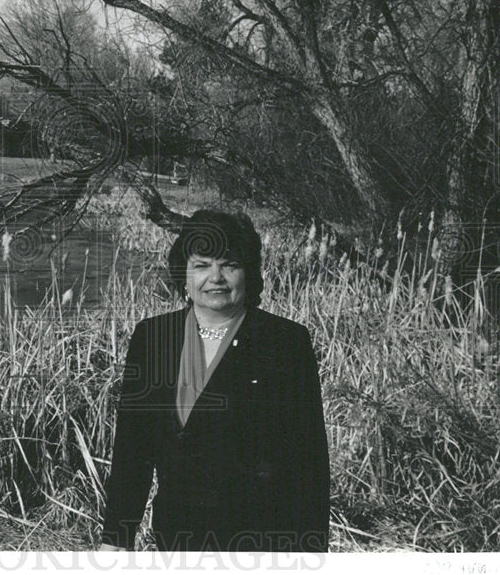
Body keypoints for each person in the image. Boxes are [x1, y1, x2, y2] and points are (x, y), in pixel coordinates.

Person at [99, 209, 330, 552]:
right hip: (177, 537)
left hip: (262, 540)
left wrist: (310, 551)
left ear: (249, 273)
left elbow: (308, 459)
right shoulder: (152, 337)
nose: (216, 277)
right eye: (202, 265)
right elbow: (133, 447)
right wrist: (117, 536)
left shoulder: (285, 341)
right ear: (184, 275)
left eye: (230, 264)